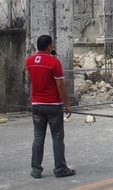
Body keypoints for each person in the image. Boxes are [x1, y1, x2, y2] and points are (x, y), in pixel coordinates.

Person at [25, 35, 76, 179]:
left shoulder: (29, 61)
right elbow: (60, 85)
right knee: (57, 137)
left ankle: (36, 169)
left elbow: (32, 81)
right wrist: (67, 104)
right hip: (53, 104)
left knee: (38, 137)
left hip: (37, 104)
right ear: (49, 46)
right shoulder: (54, 62)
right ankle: (60, 168)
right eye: (51, 45)